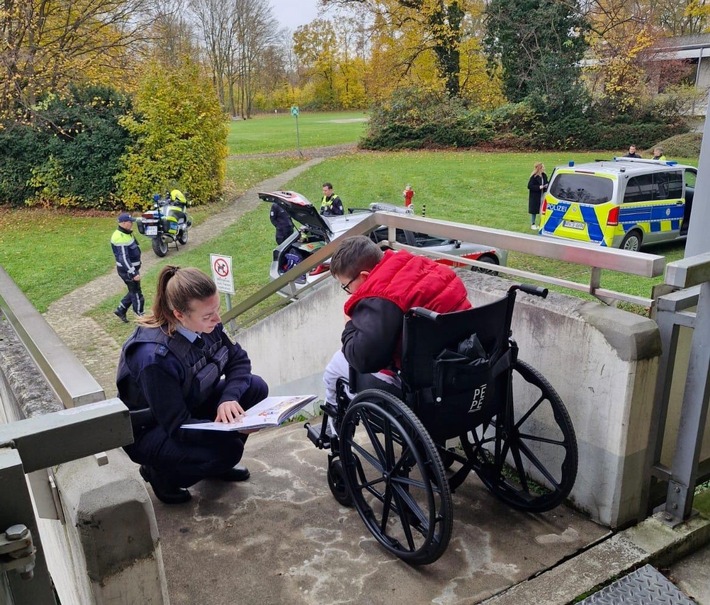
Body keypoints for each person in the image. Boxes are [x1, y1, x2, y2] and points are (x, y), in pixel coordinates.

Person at [116, 266, 269, 504]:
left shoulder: (206, 323)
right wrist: (233, 430)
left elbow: (238, 359)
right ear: (179, 315)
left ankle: (215, 467)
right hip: (155, 430)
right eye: (209, 316)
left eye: (216, 310)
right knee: (229, 449)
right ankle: (161, 474)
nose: (218, 320)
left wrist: (229, 398)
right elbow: (177, 426)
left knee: (255, 388)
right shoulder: (154, 358)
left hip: (188, 403)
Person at [322, 236, 472, 416]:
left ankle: (334, 432)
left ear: (364, 276)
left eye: (345, 286)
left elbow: (363, 359)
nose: (348, 292)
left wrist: (349, 325)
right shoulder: (419, 264)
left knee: (335, 366)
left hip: (425, 388)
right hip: (465, 367)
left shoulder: (382, 298)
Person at [111, 212, 144, 323]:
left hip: (130, 269)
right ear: (123, 223)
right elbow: (123, 258)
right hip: (128, 271)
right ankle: (141, 316)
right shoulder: (120, 237)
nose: (132, 224)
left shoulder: (126, 233)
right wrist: (133, 273)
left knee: (133, 290)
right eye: (130, 222)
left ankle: (121, 309)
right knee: (136, 293)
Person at [527, 162, 548, 230]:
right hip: (535, 196)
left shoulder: (544, 175)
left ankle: (540, 223)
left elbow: (546, 182)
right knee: (534, 211)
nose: (544, 168)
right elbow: (530, 186)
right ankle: (533, 224)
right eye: (542, 167)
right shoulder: (534, 176)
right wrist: (539, 187)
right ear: (539, 168)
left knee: (542, 210)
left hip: (543, 195)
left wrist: (546, 186)